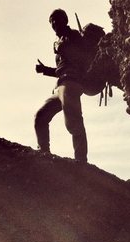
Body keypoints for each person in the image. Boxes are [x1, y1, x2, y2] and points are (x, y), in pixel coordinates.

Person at [34, 9, 89, 162]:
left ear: (64, 20)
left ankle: (81, 161)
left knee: (73, 122)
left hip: (71, 84)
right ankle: (44, 151)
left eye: (56, 20)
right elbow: (62, 69)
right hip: (61, 85)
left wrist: (64, 47)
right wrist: (45, 70)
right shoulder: (59, 44)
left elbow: (78, 62)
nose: (53, 24)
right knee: (40, 116)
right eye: (51, 22)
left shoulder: (73, 37)